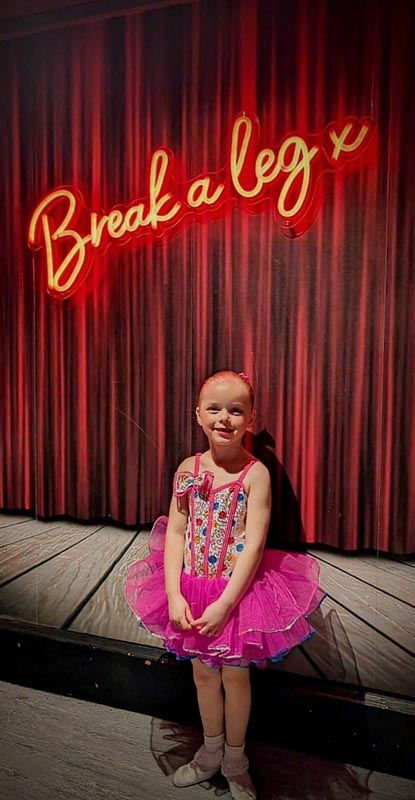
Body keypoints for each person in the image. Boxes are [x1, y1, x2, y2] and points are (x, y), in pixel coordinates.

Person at [125, 371, 326, 800]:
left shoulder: (256, 475)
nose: (224, 418)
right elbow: (175, 532)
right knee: (202, 676)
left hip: (238, 596)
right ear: (198, 414)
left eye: (235, 410)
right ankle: (209, 752)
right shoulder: (188, 469)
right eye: (214, 408)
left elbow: (254, 545)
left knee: (236, 679)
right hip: (191, 590)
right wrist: (175, 592)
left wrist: (226, 604)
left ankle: (236, 760)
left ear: (250, 417)